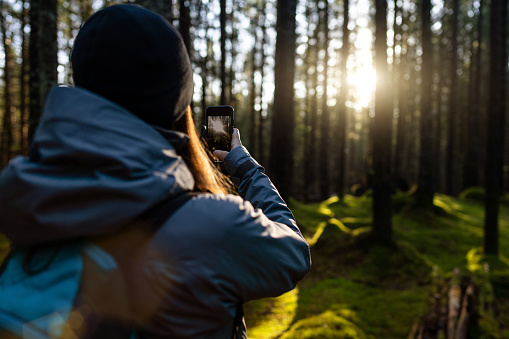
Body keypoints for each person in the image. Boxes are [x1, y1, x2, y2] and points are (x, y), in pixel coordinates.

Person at [0, 4, 310, 339]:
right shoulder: (212, 226)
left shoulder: (29, 198)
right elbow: (293, 254)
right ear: (177, 98)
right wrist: (244, 167)